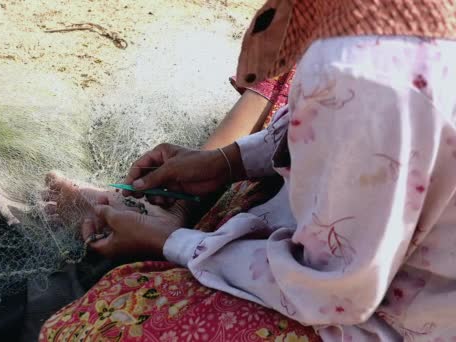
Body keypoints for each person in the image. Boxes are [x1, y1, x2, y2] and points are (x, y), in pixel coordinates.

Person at [42, 0, 456, 340]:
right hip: (368, 239)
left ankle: (166, 219)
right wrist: (227, 161)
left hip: (391, 314)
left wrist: (172, 243)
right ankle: (166, 211)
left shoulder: (367, 77)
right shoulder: (371, 34)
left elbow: (333, 294)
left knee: (104, 320)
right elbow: (321, 128)